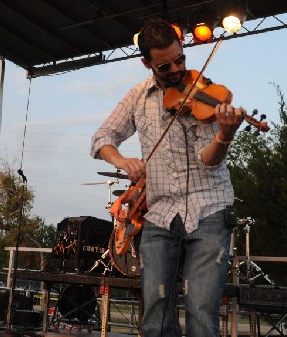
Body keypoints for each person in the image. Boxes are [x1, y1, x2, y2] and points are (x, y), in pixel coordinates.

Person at [91, 18, 245, 336]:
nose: (176, 70)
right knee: (155, 314)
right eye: (164, 66)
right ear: (146, 62)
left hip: (209, 209)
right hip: (160, 215)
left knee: (201, 310)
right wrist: (120, 159)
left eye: (180, 60)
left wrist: (225, 136)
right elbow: (102, 137)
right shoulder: (137, 97)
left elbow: (209, 161)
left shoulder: (203, 92)